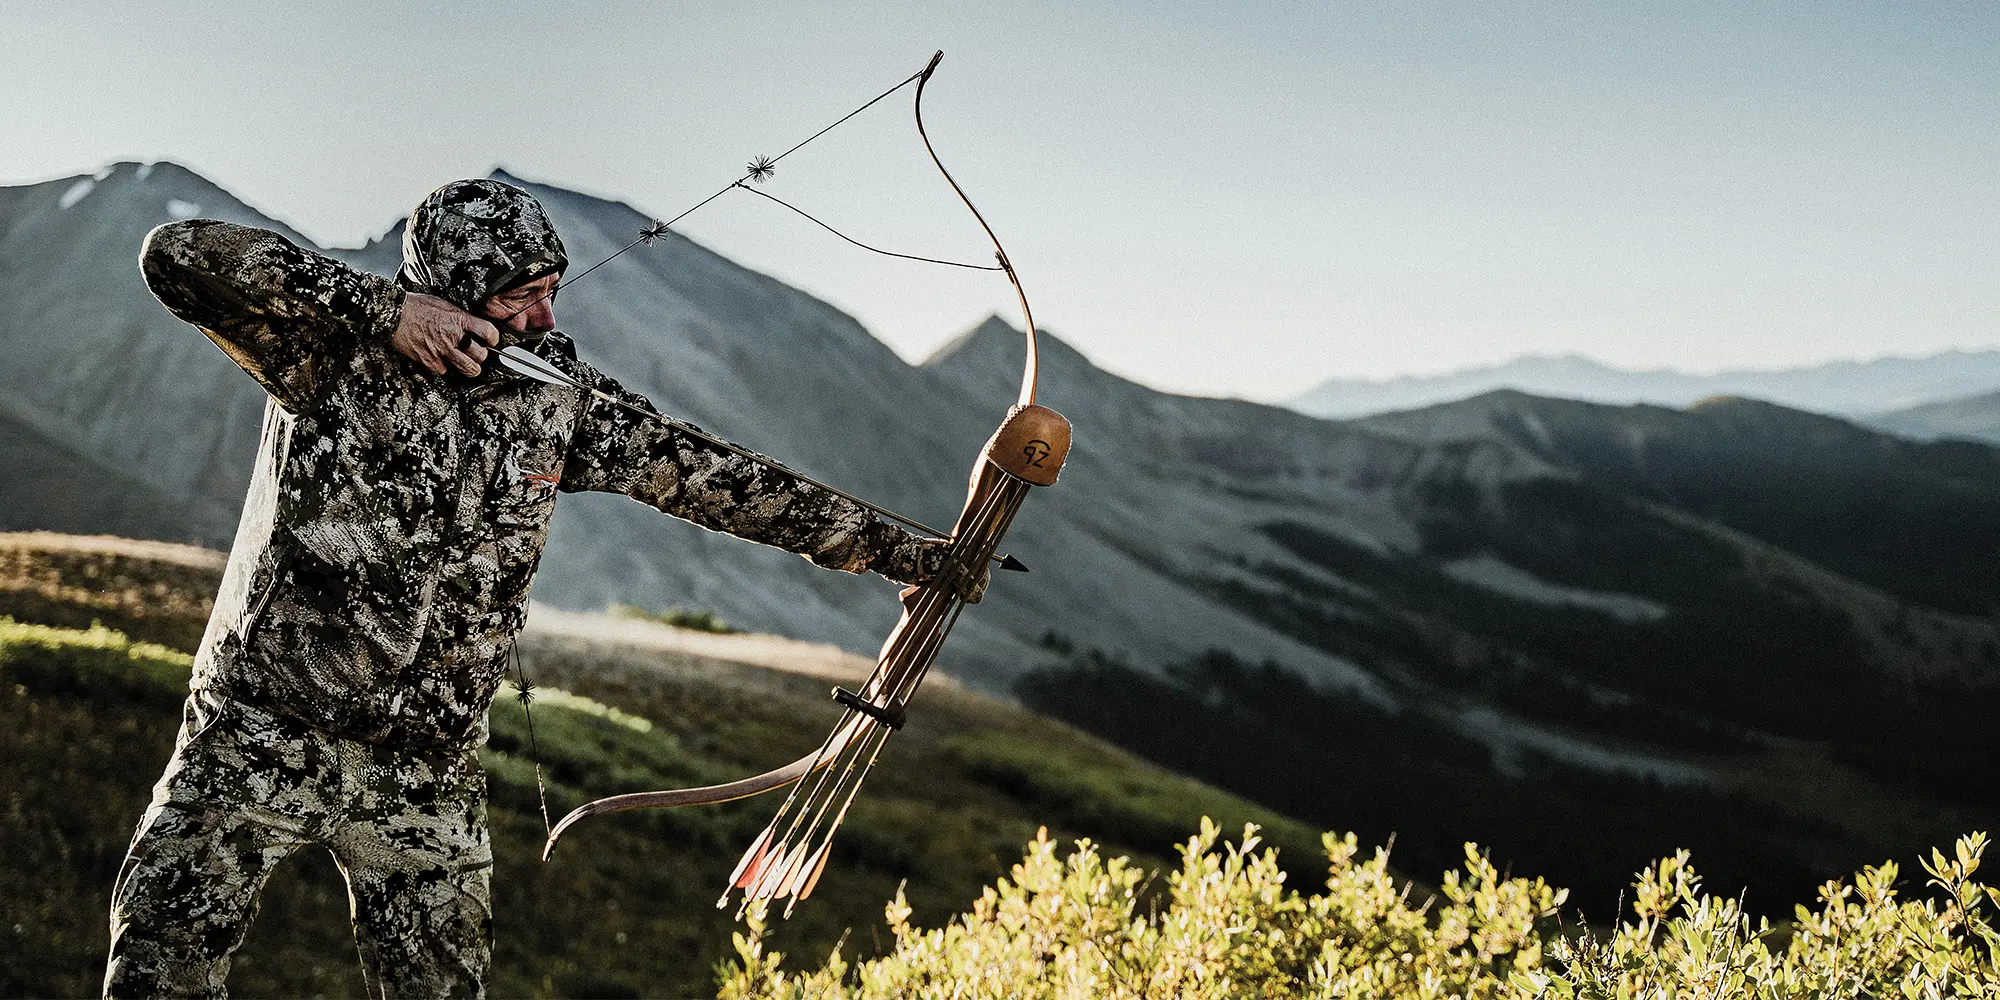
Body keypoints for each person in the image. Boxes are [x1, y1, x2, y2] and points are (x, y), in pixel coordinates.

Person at [104, 178, 952, 999]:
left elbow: (714, 476)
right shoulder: (325, 346)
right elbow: (173, 255)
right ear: (452, 289)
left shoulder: (554, 396)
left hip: (424, 767)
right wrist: (387, 313)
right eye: (522, 296)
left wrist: (901, 555)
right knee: (161, 963)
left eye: (551, 290)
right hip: (262, 726)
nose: (546, 317)